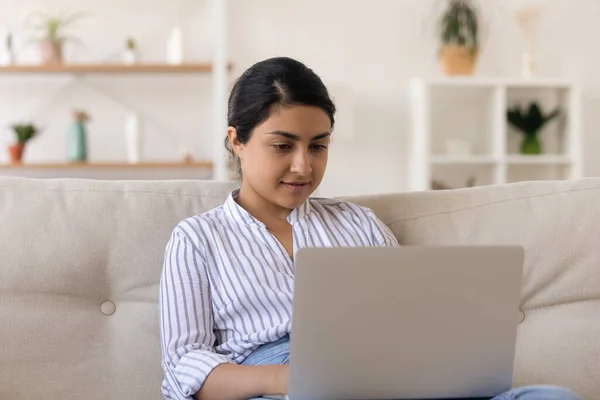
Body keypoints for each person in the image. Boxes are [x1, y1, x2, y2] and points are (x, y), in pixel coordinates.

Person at [159, 57, 580, 400]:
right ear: (237, 141)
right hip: (273, 387)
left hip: (386, 381)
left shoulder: (359, 224)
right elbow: (183, 367)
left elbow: (410, 325)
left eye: (318, 146)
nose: (304, 166)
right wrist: (282, 379)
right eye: (283, 146)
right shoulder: (198, 239)